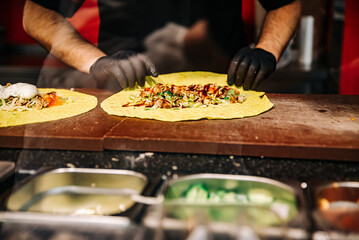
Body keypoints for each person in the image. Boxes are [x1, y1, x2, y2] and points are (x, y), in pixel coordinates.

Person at [23, 0, 301, 91]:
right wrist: (95, 62)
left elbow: (286, 3)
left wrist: (267, 49)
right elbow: (35, 14)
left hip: (225, 91)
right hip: (124, 90)